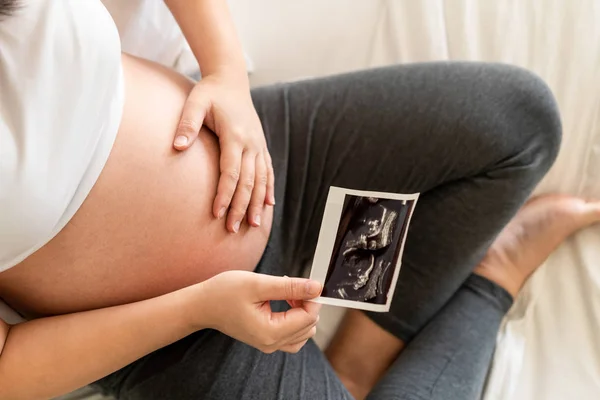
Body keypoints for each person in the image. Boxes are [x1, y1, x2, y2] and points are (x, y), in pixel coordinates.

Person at [0, 1, 596, 399]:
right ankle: (497, 277)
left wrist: (226, 73)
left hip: (267, 155)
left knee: (519, 123)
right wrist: (199, 308)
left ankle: (360, 357)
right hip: (176, 335)